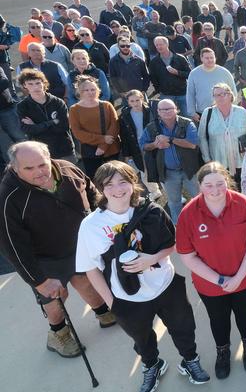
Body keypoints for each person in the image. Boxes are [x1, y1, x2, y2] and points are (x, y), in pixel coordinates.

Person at [75, 161, 209, 391]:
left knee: (183, 327)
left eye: (123, 181)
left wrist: (152, 258)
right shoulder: (91, 225)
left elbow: (173, 244)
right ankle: (152, 365)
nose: (118, 189)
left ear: (133, 182)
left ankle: (190, 360)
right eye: (109, 184)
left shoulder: (151, 211)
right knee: (141, 337)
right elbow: (90, 268)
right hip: (126, 296)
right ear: (100, 188)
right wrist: (111, 302)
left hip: (165, 285)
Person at [0, 142, 115, 359]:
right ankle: (58, 334)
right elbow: (12, 246)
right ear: (15, 168)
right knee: (55, 298)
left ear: (49, 157)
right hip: (44, 259)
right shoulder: (8, 197)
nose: (39, 172)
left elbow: (92, 193)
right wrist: (40, 281)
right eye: (29, 168)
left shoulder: (68, 169)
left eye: (42, 164)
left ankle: (102, 312)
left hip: (79, 246)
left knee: (87, 283)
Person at [176, 162, 246, 379]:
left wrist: (238, 278)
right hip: (210, 285)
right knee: (218, 319)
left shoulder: (243, 203)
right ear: (199, 186)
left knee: (245, 313)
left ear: (227, 181)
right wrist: (220, 280)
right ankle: (223, 351)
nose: (215, 190)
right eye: (208, 185)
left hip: (245, 278)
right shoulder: (188, 214)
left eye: (220, 184)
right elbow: (187, 256)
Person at [140, 99, 201, 223]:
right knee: (174, 203)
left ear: (176, 109)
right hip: (168, 173)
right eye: (162, 109)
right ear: (158, 112)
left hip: (189, 170)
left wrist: (170, 139)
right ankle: (178, 228)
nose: (166, 111)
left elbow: (193, 144)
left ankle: (204, 222)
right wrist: (155, 144)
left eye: (169, 108)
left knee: (200, 198)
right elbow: (143, 145)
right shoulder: (151, 127)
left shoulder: (187, 123)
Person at [199, 83, 246, 183]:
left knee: (244, 191)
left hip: (242, 162)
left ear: (230, 95)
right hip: (218, 162)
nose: (221, 97)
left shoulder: (242, 112)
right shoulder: (207, 113)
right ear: (214, 97)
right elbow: (202, 137)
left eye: (224, 94)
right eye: (217, 95)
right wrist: (207, 159)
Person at [17, 70, 75, 162]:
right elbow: (27, 130)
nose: (35, 87)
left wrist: (36, 126)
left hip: (64, 149)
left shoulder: (58, 102)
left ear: (43, 83)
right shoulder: (22, 106)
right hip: (41, 152)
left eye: (37, 83)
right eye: (30, 84)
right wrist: (52, 122)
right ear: (24, 85)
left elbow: (64, 126)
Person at [69, 76, 120, 179]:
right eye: (86, 90)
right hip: (90, 152)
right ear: (80, 92)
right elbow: (77, 133)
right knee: (96, 180)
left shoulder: (107, 105)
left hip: (111, 149)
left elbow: (115, 125)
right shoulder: (74, 109)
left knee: (116, 178)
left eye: (93, 89)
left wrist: (103, 146)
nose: (90, 92)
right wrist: (102, 139)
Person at [118, 90, 162, 199]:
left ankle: (174, 194)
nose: (135, 103)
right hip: (137, 147)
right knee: (144, 171)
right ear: (128, 102)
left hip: (153, 144)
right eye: (132, 101)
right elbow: (124, 136)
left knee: (161, 169)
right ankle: (154, 191)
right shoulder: (125, 115)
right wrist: (127, 154)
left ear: (142, 99)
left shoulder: (151, 111)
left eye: (137, 100)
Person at [186, 48, 237, 123]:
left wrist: (233, 110)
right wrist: (192, 112)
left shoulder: (225, 73)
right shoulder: (194, 74)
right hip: (202, 113)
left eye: (212, 57)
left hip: (223, 112)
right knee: (204, 134)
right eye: (207, 58)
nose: (210, 60)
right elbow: (190, 94)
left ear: (215, 58)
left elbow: (233, 92)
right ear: (201, 58)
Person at [149, 36, 192, 117]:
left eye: (160, 44)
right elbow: (153, 78)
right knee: (167, 117)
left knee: (187, 116)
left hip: (182, 93)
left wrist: (177, 72)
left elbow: (190, 74)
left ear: (167, 44)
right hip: (166, 94)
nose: (158, 47)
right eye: (156, 45)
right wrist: (159, 90)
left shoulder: (180, 58)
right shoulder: (154, 62)